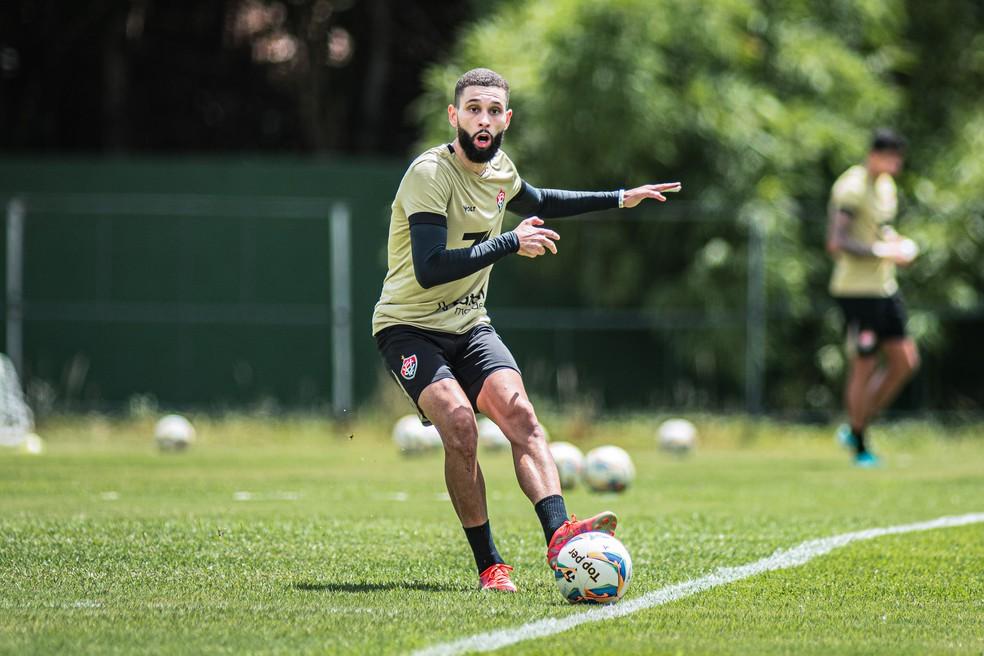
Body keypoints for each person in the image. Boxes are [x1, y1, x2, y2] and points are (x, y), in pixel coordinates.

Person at [372, 68, 681, 591]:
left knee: (521, 415)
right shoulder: (429, 174)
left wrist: (619, 197)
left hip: (469, 324)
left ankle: (561, 536)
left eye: (494, 110)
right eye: (474, 109)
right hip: (409, 327)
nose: (484, 119)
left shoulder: (500, 170)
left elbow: (541, 201)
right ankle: (490, 563)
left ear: (507, 119)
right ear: (454, 116)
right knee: (461, 426)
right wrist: (508, 243)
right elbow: (430, 268)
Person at [826, 129, 920, 467]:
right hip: (856, 292)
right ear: (874, 154)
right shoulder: (851, 188)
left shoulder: (886, 187)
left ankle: (857, 424)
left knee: (905, 361)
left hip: (884, 288)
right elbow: (837, 242)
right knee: (864, 364)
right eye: (890, 157)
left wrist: (898, 243)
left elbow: (881, 229)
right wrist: (882, 251)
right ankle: (860, 444)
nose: (895, 165)